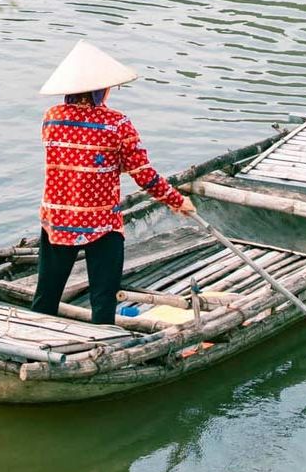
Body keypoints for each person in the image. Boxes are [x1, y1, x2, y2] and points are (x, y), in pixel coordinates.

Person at [31, 40, 195, 324]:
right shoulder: (117, 124)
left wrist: (106, 163)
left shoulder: (52, 118)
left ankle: (30, 338)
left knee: (46, 294)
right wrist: (177, 200)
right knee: (103, 298)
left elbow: (78, 159)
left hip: (58, 218)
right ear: (100, 90)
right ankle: (99, 345)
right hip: (102, 223)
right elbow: (143, 174)